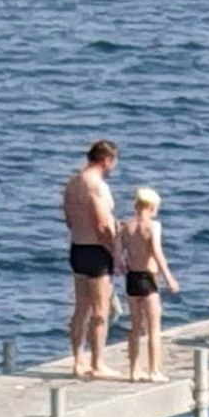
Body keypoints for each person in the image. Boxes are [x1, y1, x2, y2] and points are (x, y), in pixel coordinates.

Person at [62, 140, 120, 381]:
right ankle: (98, 363)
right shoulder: (97, 186)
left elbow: (68, 219)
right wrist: (114, 250)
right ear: (106, 160)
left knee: (81, 308)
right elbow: (102, 224)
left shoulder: (72, 183)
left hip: (77, 247)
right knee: (100, 310)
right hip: (97, 251)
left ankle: (78, 360)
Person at [117, 186, 179, 381]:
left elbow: (117, 253)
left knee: (135, 326)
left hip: (132, 279)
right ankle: (154, 370)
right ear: (151, 207)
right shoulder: (153, 226)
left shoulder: (126, 226)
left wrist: (121, 266)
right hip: (148, 278)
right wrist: (169, 277)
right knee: (153, 328)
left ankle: (134, 370)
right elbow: (157, 253)